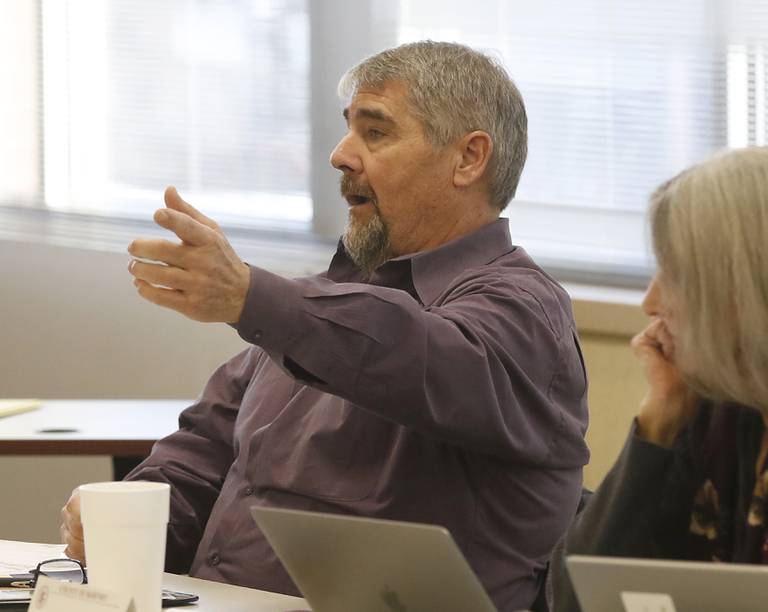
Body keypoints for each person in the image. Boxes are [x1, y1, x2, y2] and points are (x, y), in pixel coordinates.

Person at [62, 41, 589, 611]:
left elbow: (418, 357)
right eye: (347, 130)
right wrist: (132, 515)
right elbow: (209, 444)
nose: (340, 155)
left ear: (468, 158)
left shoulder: (527, 312)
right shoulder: (322, 302)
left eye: (376, 132)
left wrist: (251, 297)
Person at [548, 147, 768, 612]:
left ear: (742, 288)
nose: (650, 302)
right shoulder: (715, 406)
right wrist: (659, 419)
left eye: (676, 276)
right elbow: (576, 598)